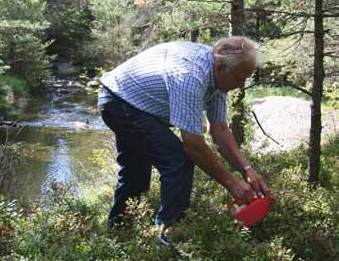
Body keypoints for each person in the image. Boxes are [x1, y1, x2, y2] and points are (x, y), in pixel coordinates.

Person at [98, 36, 271, 244]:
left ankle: (117, 235)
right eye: (239, 78)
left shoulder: (219, 76)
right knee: (178, 162)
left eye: (246, 79)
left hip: (131, 100)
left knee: (136, 173)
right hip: (119, 100)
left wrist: (247, 169)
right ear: (219, 67)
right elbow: (193, 146)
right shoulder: (190, 76)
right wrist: (233, 184)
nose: (242, 85)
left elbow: (220, 130)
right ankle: (167, 238)